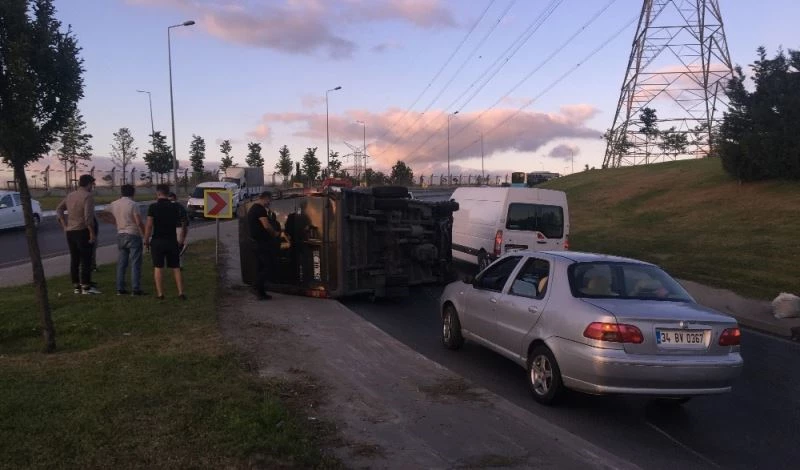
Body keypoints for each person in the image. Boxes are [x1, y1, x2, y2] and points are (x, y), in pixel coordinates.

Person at [56, 174, 100, 294]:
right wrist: (92, 233)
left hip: (70, 231)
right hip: (83, 231)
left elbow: (59, 209)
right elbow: (88, 218)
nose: (93, 187)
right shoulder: (88, 196)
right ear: (89, 184)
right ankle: (86, 286)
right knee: (86, 259)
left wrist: (64, 225)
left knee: (74, 259)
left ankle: (76, 286)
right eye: (92, 184)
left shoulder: (70, 195)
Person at [143, 184, 188, 300]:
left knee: (158, 267)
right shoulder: (175, 207)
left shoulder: (153, 207)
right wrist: (182, 239)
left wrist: (146, 240)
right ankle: (180, 292)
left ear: (158, 193)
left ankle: (160, 294)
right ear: (168, 194)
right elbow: (183, 223)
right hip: (172, 240)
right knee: (176, 267)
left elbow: (149, 225)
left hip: (158, 240)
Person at [101, 184, 146, 295]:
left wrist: (114, 222)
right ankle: (135, 289)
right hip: (133, 234)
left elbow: (102, 214)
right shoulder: (133, 204)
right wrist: (145, 235)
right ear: (133, 193)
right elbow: (138, 222)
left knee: (122, 263)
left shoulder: (114, 203)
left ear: (121, 192)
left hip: (120, 234)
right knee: (135, 262)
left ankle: (120, 288)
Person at [247, 191, 281, 300]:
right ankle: (255, 287)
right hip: (261, 243)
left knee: (261, 267)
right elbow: (266, 226)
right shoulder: (260, 209)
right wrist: (275, 233)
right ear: (266, 198)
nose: (270, 202)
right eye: (270, 200)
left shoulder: (253, 208)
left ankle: (261, 293)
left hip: (256, 242)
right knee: (268, 266)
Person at [168, 192, 189, 269]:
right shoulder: (180, 207)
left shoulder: (167, 206)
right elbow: (184, 220)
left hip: (173, 228)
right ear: (175, 198)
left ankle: (177, 264)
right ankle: (179, 264)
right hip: (180, 227)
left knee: (176, 246)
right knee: (178, 245)